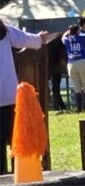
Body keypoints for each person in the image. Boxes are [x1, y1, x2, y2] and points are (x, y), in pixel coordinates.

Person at [0, 19, 48, 175]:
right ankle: (20, 174)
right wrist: (40, 38)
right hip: (11, 101)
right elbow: (30, 40)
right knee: (16, 136)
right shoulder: (5, 31)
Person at [62, 17, 85, 112]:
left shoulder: (67, 40)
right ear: (77, 31)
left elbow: (62, 38)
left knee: (76, 88)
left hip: (71, 64)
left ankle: (79, 109)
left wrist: (66, 33)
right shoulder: (83, 38)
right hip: (83, 62)